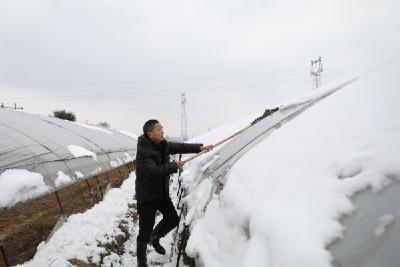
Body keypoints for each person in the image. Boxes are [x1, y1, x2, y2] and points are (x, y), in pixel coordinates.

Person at [135, 119, 214, 267]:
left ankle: (156, 236)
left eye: (162, 128)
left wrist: (200, 148)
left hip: (161, 194)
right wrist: (173, 166)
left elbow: (180, 146)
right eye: (159, 129)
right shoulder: (144, 151)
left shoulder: (163, 144)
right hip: (146, 198)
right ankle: (141, 263)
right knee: (144, 232)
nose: (162, 131)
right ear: (150, 133)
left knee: (173, 220)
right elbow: (152, 171)